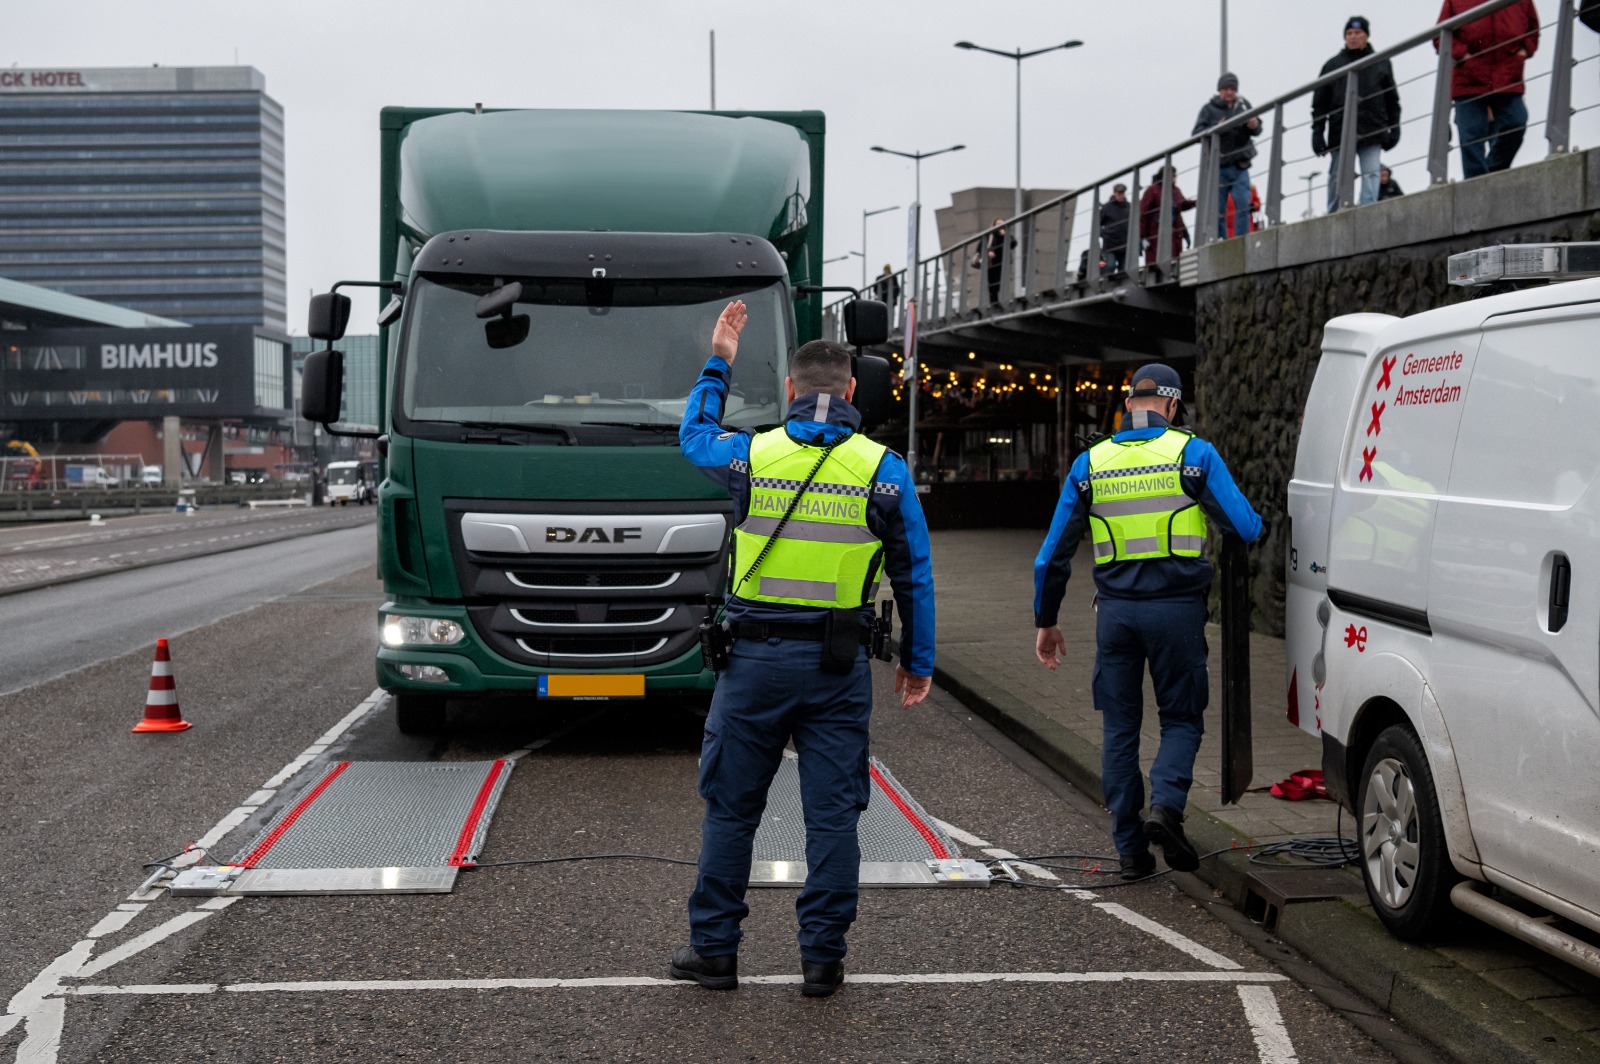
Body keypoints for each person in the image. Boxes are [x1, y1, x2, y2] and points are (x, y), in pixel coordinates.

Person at [671, 301, 936, 997]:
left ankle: (716, 954)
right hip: (837, 668)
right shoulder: (886, 471)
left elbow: (694, 435)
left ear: (790, 390)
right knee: (832, 818)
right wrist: (919, 661)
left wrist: (720, 356)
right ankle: (822, 962)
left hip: (753, 664)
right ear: (851, 392)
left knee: (732, 810)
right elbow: (915, 574)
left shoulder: (750, 455)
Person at [1032, 365, 1262, 880]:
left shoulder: (1090, 463)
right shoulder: (1193, 455)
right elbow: (1245, 527)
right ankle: (1167, 806)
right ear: (1173, 405)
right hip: (1177, 613)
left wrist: (1046, 621)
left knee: (1120, 727)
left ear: (1130, 403)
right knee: (1180, 717)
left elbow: (1052, 557)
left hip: (1114, 616)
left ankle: (1130, 852)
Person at [1436, 0, 1540, 178]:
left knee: (1516, 122)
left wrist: (1523, 51)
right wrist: (1464, 56)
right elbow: (1441, 35)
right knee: (1471, 136)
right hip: (1469, 77)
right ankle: (1475, 185)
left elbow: (1532, 29)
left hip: (1507, 74)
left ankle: (1492, 173)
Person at [1192, 73, 1261, 240]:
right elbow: (1196, 134)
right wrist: (1217, 127)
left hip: (1240, 165)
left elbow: (1258, 129)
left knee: (1243, 205)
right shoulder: (1208, 109)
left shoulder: (1244, 105)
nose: (1230, 92)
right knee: (1218, 211)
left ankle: (1242, 239)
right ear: (1219, 90)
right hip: (1219, 167)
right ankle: (1221, 240)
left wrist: (1255, 125)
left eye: (1233, 89)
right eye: (1226, 89)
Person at [1139, 167, 1195, 267]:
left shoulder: (1176, 190)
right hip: (1156, 233)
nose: (1175, 179)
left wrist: (1196, 202)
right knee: (1157, 262)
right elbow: (1143, 213)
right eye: (1173, 176)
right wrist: (1142, 237)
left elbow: (1182, 205)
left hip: (1174, 232)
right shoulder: (1153, 190)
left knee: (1174, 260)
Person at [977, 218, 1016, 306]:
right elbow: (979, 248)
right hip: (992, 263)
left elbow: (1013, 244)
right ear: (994, 225)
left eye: (1002, 224)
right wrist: (988, 252)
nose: (1000, 226)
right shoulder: (989, 236)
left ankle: (1004, 300)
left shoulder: (1006, 235)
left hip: (1004, 263)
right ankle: (994, 303)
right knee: (993, 284)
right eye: (998, 224)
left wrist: (1005, 235)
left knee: (1003, 282)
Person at [1099, 183, 1131, 273]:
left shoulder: (1129, 207)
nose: (1121, 195)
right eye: (1119, 193)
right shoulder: (1106, 208)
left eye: (1123, 193)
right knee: (1110, 266)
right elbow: (1097, 224)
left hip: (1124, 244)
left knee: (1123, 270)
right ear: (1114, 193)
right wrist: (1104, 235)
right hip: (1110, 244)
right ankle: (1107, 285)